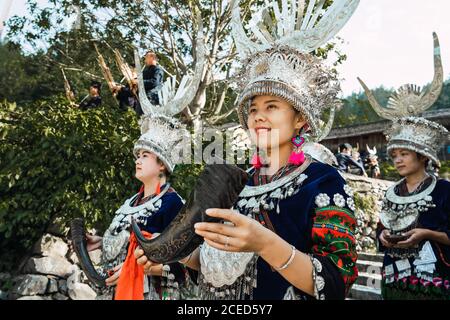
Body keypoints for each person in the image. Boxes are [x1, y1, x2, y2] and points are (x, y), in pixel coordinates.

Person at [136, 0, 360, 300]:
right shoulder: (237, 183)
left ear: (300, 119)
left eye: (272, 106)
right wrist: (170, 254)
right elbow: (212, 262)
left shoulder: (324, 181)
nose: (258, 116)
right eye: (252, 108)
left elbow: (336, 283)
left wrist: (265, 243)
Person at [359, 32, 450, 299]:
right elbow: (380, 230)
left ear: (423, 156)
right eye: (394, 154)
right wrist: (384, 236)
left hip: (435, 284)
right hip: (395, 280)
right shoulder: (391, 193)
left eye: (404, 154)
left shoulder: (444, 190)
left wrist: (426, 233)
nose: (397, 160)